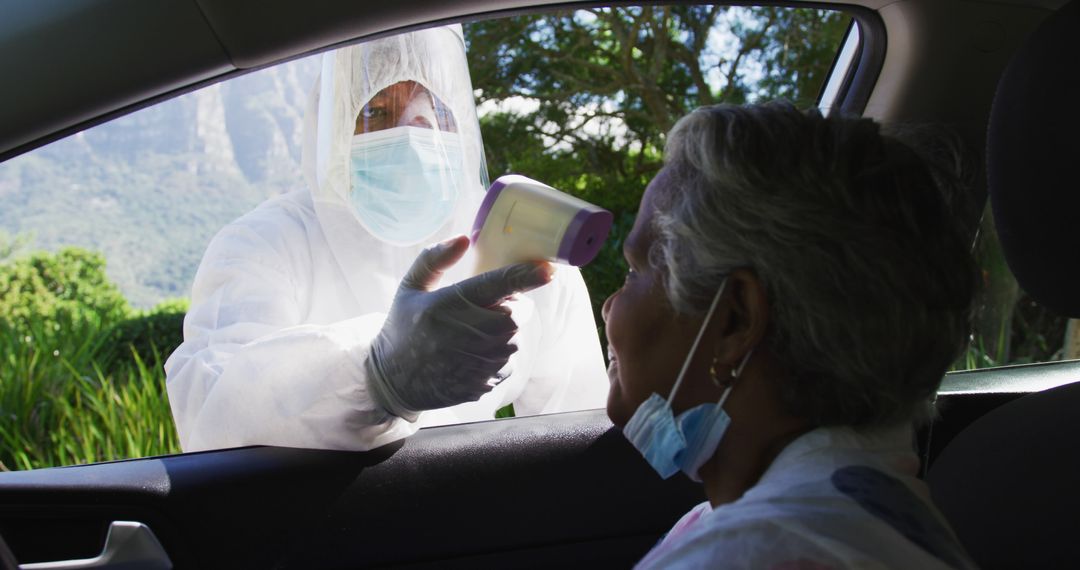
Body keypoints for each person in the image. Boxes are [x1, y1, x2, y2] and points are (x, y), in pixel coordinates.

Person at [164, 25, 608, 452]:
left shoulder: (523, 250)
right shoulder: (265, 244)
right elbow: (209, 415)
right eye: (376, 111)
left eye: (436, 111)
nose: (415, 135)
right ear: (332, 126)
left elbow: (581, 436)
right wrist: (376, 374)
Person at [603, 102, 978, 569]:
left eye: (634, 271)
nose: (609, 306)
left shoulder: (752, 553)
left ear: (735, 321)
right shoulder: (865, 517)